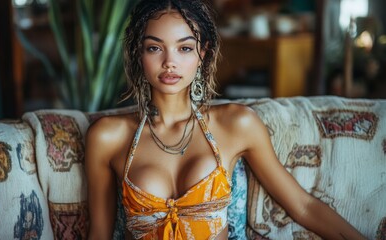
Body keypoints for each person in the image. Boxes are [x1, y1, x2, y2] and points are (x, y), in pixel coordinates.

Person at [85, 0, 366, 239]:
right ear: (138, 54)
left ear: (202, 53)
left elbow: (303, 207)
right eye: (154, 48)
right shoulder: (108, 137)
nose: (169, 62)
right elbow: (99, 234)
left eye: (184, 48)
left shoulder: (235, 124)